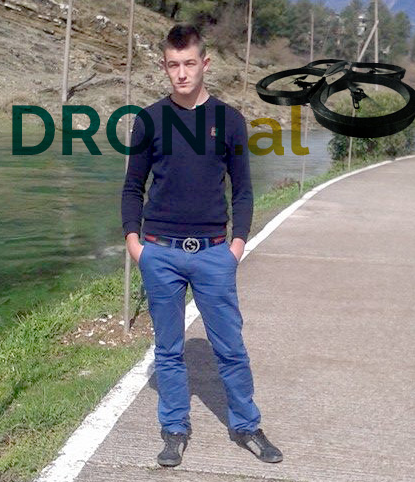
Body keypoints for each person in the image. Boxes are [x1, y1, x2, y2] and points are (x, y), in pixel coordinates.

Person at [120, 24, 283, 467]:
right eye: (173, 65)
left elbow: (243, 190)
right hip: (159, 252)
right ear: (164, 66)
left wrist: (236, 245)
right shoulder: (149, 120)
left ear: (204, 64)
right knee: (168, 350)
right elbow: (132, 187)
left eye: (189, 63)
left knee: (230, 348)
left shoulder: (229, 121)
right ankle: (174, 429)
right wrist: (135, 243)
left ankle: (247, 425)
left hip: (213, 253)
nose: (182, 73)